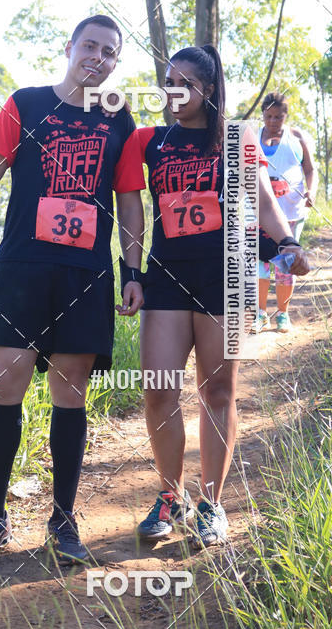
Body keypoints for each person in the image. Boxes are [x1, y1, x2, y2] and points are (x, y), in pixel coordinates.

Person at [0, 14, 144, 566]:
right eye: (90, 46)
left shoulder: (119, 119)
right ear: (69, 48)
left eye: (110, 52)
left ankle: (63, 520)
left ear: (115, 62)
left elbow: (131, 201)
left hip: (85, 274)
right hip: (21, 267)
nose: (99, 57)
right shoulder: (26, 103)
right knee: (7, 381)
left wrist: (132, 271)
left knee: (71, 391)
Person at [119, 46, 310, 548]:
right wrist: (131, 273)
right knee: (159, 388)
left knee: (218, 391)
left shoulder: (235, 138)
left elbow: (263, 202)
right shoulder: (149, 141)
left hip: (225, 275)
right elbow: (131, 207)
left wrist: (287, 243)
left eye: (184, 82)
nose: (172, 91)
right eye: (167, 80)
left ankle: (210, 504)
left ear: (207, 89)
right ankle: (169, 495)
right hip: (166, 274)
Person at [255, 92, 317, 333]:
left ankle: (283, 314)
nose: (273, 121)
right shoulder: (253, 139)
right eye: (269, 116)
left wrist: (310, 192)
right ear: (262, 115)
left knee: (286, 264)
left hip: (290, 211)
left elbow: (310, 170)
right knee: (261, 264)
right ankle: (261, 314)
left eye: (278, 117)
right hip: (259, 213)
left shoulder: (296, 137)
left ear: (285, 116)